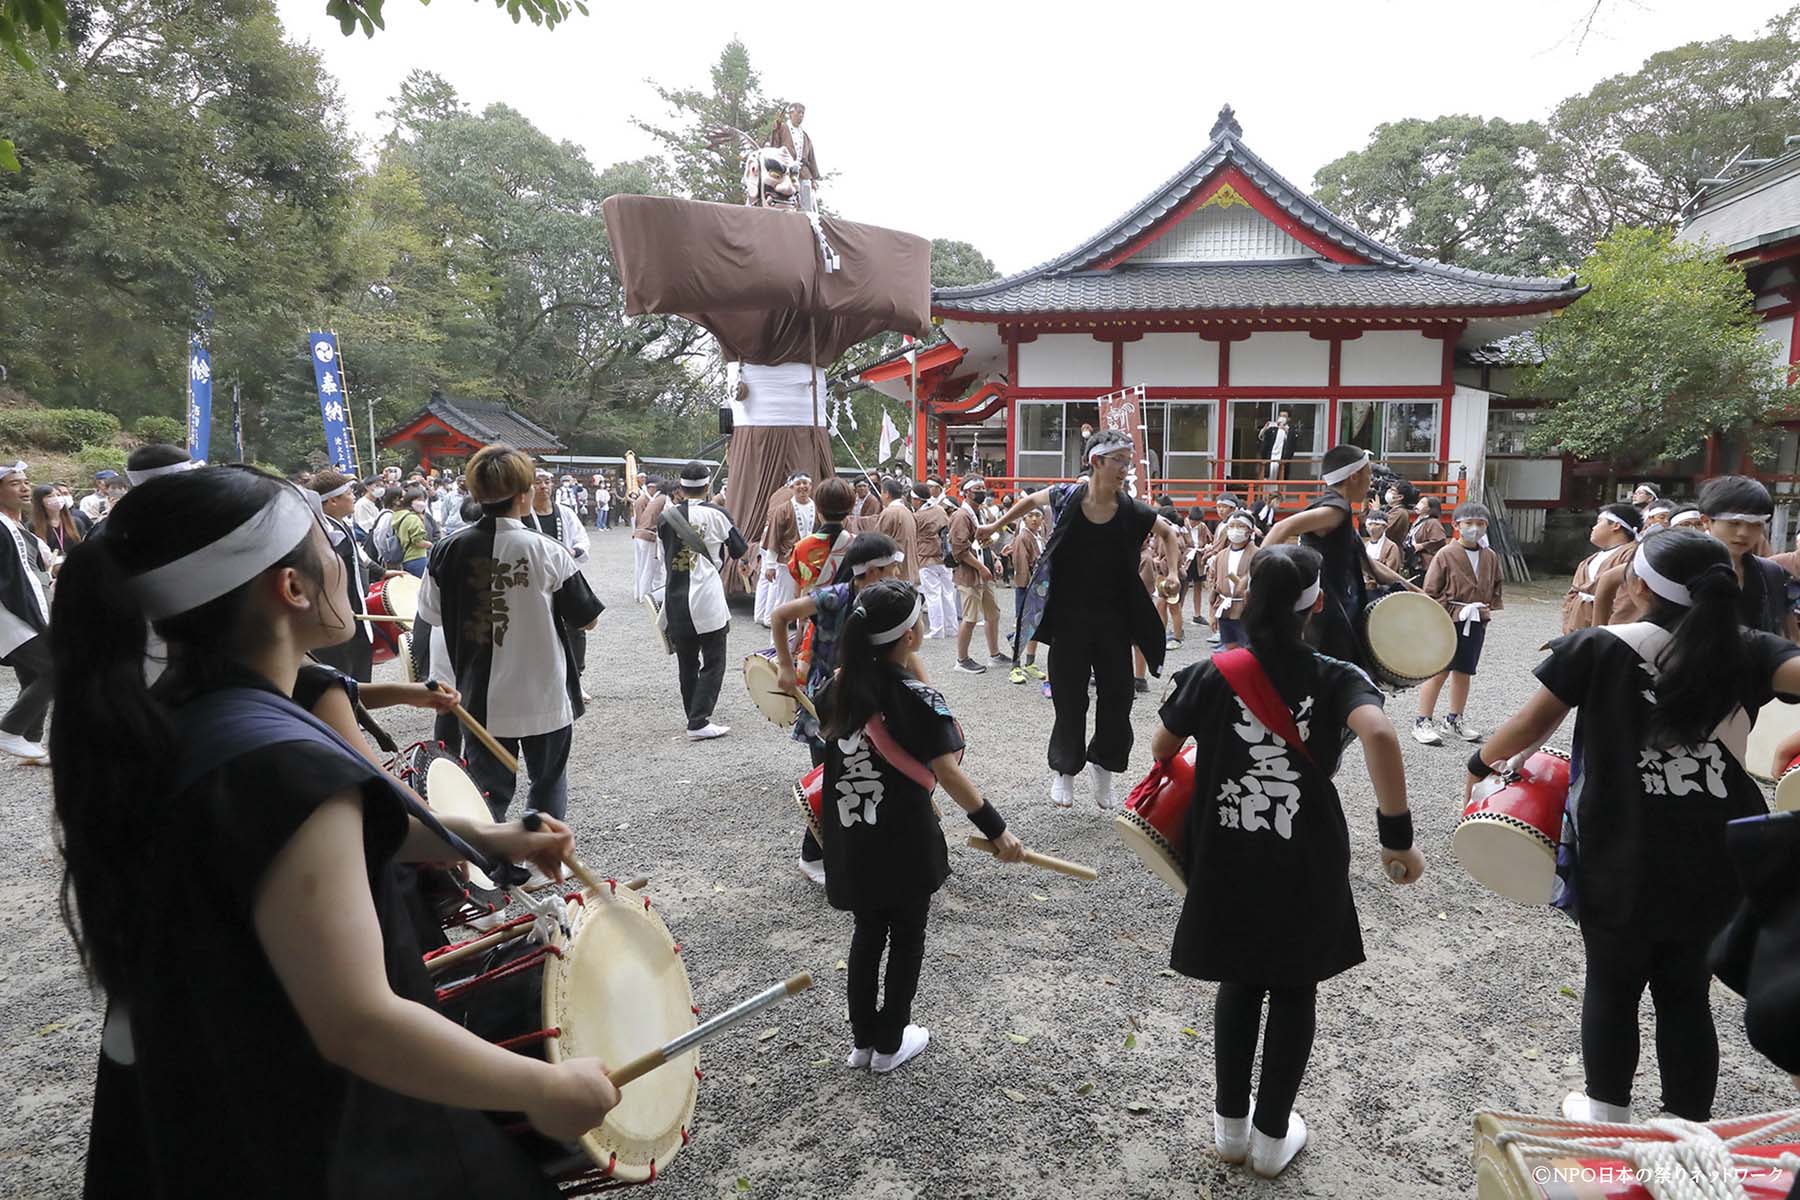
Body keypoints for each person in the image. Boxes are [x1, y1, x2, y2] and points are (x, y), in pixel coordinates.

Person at [49, 464, 617, 1196]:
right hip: (313, 1130)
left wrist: (493, 839)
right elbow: (356, 1021)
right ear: (291, 588)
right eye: (327, 548)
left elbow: (314, 850)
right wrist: (542, 1088)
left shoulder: (191, 712)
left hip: (204, 1086)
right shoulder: (275, 760)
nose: (345, 569)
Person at [1468, 527, 1800, 1124]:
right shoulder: (1751, 646)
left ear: (1638, 583)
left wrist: (1478, 763)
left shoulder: (1597, 647)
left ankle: (1606, 1118)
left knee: (1612, 987)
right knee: (1686, 996)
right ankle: (1685, 1128)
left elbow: (1527, 726)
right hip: (1715, 851)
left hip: (1621, 849)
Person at [1151, 544, 1421, 1179]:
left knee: (1239, 979)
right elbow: (1380, 733)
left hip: (1227, 846)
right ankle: (1273, 1139)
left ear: (1248, 598)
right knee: (1294, 986)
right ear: (1317, 604)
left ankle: (1229, 1131)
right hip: (1305, 849)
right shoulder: (1335, 675)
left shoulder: (1212, 670)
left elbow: (1163, 744)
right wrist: (1397, 837)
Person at [814, 579, 1023, 1072]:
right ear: (909, 637)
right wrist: (998, 831)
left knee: (867, 933)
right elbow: (948, 772)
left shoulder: (835, 688)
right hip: (903, 839)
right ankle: (891, 1044)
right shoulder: (916, 699)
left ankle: (863, 1041)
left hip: (852, 834)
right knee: (907, 936)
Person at [978, 431, 1182, 808]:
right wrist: (994, 527)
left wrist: (1172, 572)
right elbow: (1027, 502)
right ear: (1097, 461)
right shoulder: (1065, 496)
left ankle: (1104, 769)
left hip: (1114, 620)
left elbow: (1169, 533)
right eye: (1119, 459)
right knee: (1069, 697)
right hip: (1069, 618)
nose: (1126, 468)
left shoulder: (1133, 510)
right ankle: (1065, 771)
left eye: (1128, 460)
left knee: (1117, 697)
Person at [418, 444, 603, 820]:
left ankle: (495, 865)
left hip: (479, 693)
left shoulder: (445, 550)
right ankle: (546, 853)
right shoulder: (546, 549)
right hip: (544, 692)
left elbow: (431, 614)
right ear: (524, 495)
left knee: (488, 791)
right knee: (548, 781)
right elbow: (587, 618)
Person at [772, 533, 912, 884]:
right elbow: (780, 615)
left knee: (863, 777)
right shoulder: (835, 597)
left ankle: (859, 853)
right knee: (833, 779)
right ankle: (812, 855)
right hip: (830, 702)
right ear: (870, 572)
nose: (896, 572)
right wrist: (786, 667)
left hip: (868, 701)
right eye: (889, 567)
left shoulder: (885, 600)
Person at [1263, 446, 1417, 671]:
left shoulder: (1340, 511)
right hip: (1325, 616)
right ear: (1354, 476)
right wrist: (1253, 575)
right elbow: (1283, 526)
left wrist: (1416, 592)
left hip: (1338, 610)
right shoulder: (1335, 511)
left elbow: (1370, 565)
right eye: (1368, 475)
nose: (1370, 483)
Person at [655, 462, 748, 742]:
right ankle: (699, 720)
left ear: (680, 489)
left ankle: (693, 716)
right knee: (714, 658)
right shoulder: (718, 514)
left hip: (676, 596)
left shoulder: (666, 517)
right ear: (708, 487)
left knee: (687, 661)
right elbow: (739, 549)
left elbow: (663, 555)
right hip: (707, 596)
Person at [1412, 503, 1503, 746]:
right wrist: (1453, 609)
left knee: (1465, 670)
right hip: (1448, 618)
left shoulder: (1490, 556)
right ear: (1456, 525)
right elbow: (1430, 591)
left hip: (1475, 619)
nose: (1475, 528)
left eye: (1481, 524)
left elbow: (1494, 585)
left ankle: (1453, 719)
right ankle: (1422, 720)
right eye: (1469, 523)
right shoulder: (1445, 554)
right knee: (1440, 670)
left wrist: (1483, 608)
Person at [307, 470, 383, 683]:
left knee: (356, 684)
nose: (354, 497)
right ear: (332, 501)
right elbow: (314, 571)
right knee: (344, 683)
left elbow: (360, 556)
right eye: (349, 493)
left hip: (351, 615)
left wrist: (383, 572)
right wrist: (330, 604)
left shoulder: (337, 526)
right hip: (339, 620)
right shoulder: (324, 531)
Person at [0, 462, 54, 763]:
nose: (24, 487)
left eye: (26, 481)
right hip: (9, 614)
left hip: (22, 611)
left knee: (33, 673)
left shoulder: (18, 526)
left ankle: (28, 741)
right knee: (60, 667)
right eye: (14, 483)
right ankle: (10, 729)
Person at [1696, 475, 1795, 638]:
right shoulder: (1684, 569)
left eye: (1756, 525)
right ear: (1706, 520)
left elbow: (1789, 634)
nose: (1744, 533)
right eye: (1734, 523)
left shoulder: (1772, 572)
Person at [525, 468, 593, 701]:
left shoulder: (564, 512)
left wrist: (574, 551)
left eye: (547, 482)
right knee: (540, 630)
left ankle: (576, 679)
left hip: (564, 576)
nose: (543, 486)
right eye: (538, 482)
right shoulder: (522, 515)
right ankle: (543, 680)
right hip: (534, 580)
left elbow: (582, 539)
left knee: (576, 627)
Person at [1562, 505, 1640, 635]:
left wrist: (1610, 631)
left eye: (1599, 522)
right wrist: (1567, 622)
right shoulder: (1589, 560)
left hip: (1608, 629)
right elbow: (1572, 594)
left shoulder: (1631, 555)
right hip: (1577, 627)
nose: (1593, 527)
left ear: (1616, 525)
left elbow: (1626, 599)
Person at [757, 473, 814, 629]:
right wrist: (770, 565)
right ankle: (775, 645)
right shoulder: (783, 510)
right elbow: (774, 538)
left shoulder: (817, 508)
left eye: (805, 483)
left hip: (810, 563)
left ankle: (800, 644)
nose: (802, 487)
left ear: (811, 486)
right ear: (791, 487)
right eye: (798, 484)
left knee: (806, 602)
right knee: (783, 601)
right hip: (786, 562)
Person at [1006, 509, 1047, 686]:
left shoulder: (1038, 536)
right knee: (1023, 624)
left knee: (1035, 624)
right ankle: (1015, 666)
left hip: (1038, 587)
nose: (1034, 519)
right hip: (1028, 586)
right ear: (1024, 518)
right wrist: (1024, 586)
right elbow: (1021, 564)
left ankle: (1030, 663)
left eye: (1038, 515)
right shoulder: (1023, 537)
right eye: (1030, 515)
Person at [1207, 511, 1257, 650]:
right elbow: (1213, 587)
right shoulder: (1221, 556)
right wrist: (1212, 612)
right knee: (1229, 650)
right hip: (1225, 609)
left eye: (1240, 526)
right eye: (1231, 526)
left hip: (1247, 612)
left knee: (1247, 652)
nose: (1235, 530)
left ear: (1250, 531)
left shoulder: (1258, 555)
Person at [911, 482, 955, 638]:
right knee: (948, 593)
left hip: (926, 557)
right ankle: (951, 627)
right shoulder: (940, 510)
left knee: (933, 594)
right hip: (944, 556)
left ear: (917, 500)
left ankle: (937, 629)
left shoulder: (917, 516)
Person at [766, 100, 821, 211]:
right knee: (788, 199)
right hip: (787, 171)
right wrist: (775, 131)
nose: (801, 115)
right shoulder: (782, 129)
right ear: (791, 113)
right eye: (798, 112)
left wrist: (814, 178)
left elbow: (811, 157)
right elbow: (774, 147)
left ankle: (807, 220)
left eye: (802, 114)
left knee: (807, 202)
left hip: (804, 172)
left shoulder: (805, 136)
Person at [875, 477, 919, 584]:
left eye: (881, 493)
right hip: (909, 568)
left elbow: (877, 540)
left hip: (897, 571)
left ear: (887, 494)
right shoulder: (907, 512)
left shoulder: (890, 512)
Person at [30, 481, 83, 566]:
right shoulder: (32, 526)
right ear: (40, 501)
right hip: (48, 573)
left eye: (58, 495)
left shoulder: (76, 522)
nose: (56, 499)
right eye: (50, 496)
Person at [630, 477, 667, 601]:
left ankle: (639, 593)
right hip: (646, 534)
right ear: (650, 487)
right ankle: (644, 596)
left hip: (640, 534)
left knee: (642, 566)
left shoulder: (650, 499)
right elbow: (639, 519)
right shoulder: (642, 500)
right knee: (647, 567)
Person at [396, 486, 433, 577]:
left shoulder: (402, 516)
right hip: (417, 557)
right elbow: (418, 541)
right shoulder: (413, 519)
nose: (422, 503)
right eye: (418, 500)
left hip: (406, 557)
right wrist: (431, 545)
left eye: (423, 500)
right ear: (410, 502)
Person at [1360, 510, 1402, 582]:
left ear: (1384, 527)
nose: (1372, 527)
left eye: (1376, 524)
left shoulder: (1391, 546)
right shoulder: (1365, 545)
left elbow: (1390, 571)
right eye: (1370, 524)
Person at [1409, 496, 1446, 577]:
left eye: (1422, 503)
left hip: (1426, 563)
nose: (1418, 505)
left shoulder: (1433, 522)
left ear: (1429, 508)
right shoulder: (1418, 520)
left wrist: (1422, 546)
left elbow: (1439, 540)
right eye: (1419, 502)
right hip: (1414, 560)